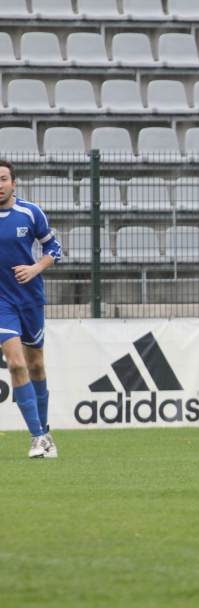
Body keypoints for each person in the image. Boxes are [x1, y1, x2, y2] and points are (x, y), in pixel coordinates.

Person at [0, 161, 62, 459]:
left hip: (30, 299)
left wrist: (35, 268)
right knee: (15, 364)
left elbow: (54, 249)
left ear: (14, 183)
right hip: (2, 303)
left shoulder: (30, 212)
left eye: (3, 179)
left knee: (36, 364)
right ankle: (37, 437)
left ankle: (45, 432)